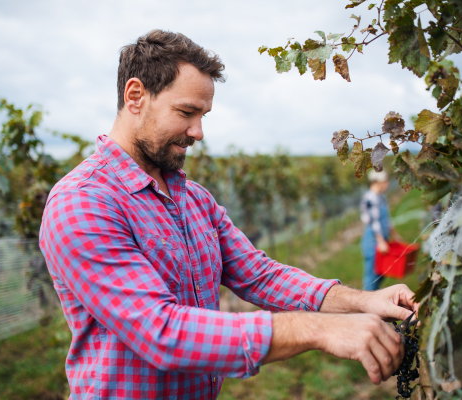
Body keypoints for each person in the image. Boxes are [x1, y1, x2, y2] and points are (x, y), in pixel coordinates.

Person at [39, 30, 418, 400]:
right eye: (187, 112)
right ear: (136, 95)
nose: (198, 132)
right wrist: (320, 329)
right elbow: (161, 332)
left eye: (203, 114)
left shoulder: (194, 199)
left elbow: (259, 274)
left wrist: (363, 301)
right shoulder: (83, 203)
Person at [360, 170, 402, 291]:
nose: (387, 184)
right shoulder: (370, 198)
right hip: (373, 242)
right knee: (372, 277)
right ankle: (366, 304)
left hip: (382, 239)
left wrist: (395, 235)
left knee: (381, 273)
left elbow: (386, 220)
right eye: (385, 181)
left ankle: (374, 299)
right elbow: (373, 222)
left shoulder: (381, 197)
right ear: (377, 182)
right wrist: (381, 241)